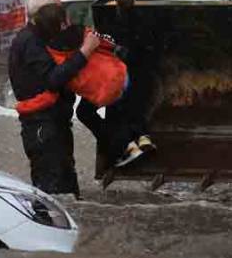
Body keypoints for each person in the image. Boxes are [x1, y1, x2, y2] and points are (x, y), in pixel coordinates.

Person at [9, 0, 100, 196]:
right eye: (57, 14)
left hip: (54, 125)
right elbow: (53, 79)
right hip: (43, 127)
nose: (62, 21)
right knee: (51, 194)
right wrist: (85, 51)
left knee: (67, 189)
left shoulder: (44, 38)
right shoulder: (30, 41)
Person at [46, 24, 155, 168]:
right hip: (119, 74)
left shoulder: (52, 51)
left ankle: (126, 148)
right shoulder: (84, 32)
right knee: (127, 100)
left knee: (91, 112)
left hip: (103, 89)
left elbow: (59, 77)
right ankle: (143, 137)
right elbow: (108, 43)